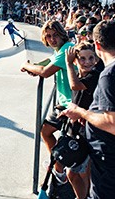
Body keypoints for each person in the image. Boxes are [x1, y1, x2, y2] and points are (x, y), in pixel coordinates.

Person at [59, 20, 115, 199]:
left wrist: (81, 112)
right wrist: (92, 117)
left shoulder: (110, 74)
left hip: (111, 155)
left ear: (97, 45)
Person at [20, 20, 74, 187]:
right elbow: (48, 62)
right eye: (48, 36)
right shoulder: (62, 49)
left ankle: (58, 168)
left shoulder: (66, 49)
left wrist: (26, 65)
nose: (52, 39)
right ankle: (59, 164)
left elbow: (45, 72)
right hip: (67, 102)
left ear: (62, 34)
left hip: (70, 104)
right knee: (52, 133)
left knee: (46, 131)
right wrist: (33, 67)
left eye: (55, 35)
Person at [65, 42, 101, 199]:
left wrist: (68, 63)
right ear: (76, 60)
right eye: (82, 59)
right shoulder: (81, 75)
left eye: (91, 58)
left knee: (81, 171)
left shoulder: (93, 76)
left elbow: (74, 86)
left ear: (96, 59)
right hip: (75, 129)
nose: (87, 62)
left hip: (88, 131)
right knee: (72, 172)